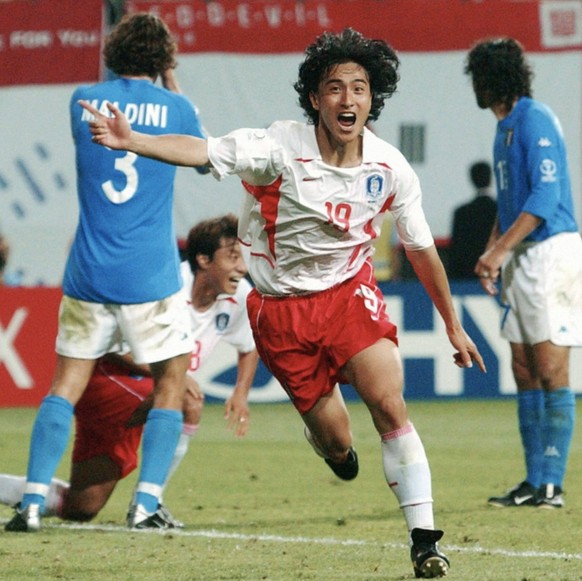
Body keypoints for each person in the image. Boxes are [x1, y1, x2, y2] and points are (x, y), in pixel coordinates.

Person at [80, 28, 487, 579]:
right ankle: (332, 448)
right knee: (338, 441)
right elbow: (202, 150)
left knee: (389, 403)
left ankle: (425, 541)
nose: (348, 100)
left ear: (374, 98)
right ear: (316, 98)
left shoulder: (390, 169)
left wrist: (453, 325)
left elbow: (419, 250)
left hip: (348, 296)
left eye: (360, 88)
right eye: (335, 88)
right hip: (279, 312)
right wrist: (133, 142)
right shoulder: (275, 148)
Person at [5, 13, 209, 533]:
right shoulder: (178, 108)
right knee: (172, 382)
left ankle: (30, 501)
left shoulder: (83, 100)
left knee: (65, 385)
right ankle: (146, 504)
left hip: (90, 271)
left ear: (114, 52)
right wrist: (174, 87)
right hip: (151, 275)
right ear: (164, 60)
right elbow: (207, 157)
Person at [1, 214, 258, 527]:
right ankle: (149, 505)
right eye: (233, 258)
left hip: (151, 392)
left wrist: (241, 392)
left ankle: (16, 490)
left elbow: (249, 345)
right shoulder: (165, 287)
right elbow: (114, 346)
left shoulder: (240, 295)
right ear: (204, 259)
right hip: (109, 378)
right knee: (186, 400)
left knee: (82, 505)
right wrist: (172, 373)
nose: (242, 268)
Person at [464, 38, 582, 509]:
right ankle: (533, 480)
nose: (474, 85)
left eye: (478, 76)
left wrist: (500, 253)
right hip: (522, 255)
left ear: (495, 79)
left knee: (552, 369)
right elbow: (511, 202)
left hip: (551, 252)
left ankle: (551, 484)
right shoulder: (503, 129)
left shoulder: (535, 120)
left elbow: (544, 201)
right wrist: (495, 251)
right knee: (522, 367)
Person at [448, 161, 497, 279]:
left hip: (468, 274)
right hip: (495, 272)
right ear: (491, 179)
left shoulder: (461, 213)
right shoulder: (500, 210)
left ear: (472, 180)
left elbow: (456, 250)